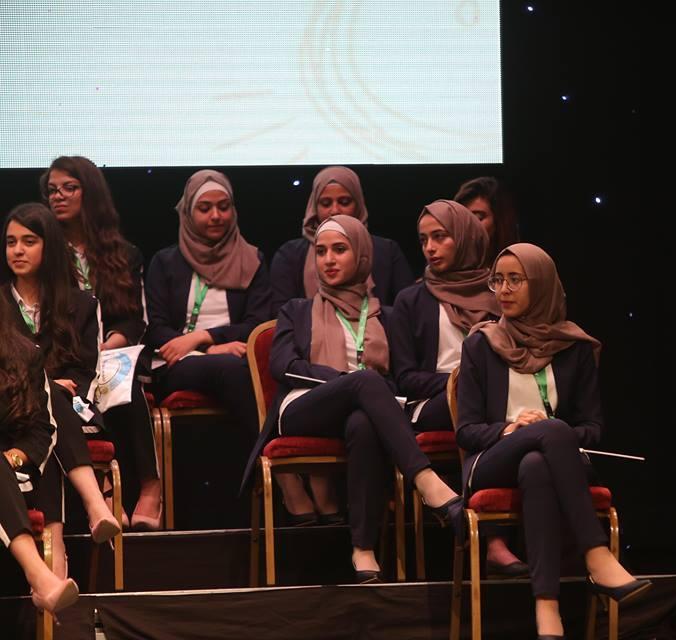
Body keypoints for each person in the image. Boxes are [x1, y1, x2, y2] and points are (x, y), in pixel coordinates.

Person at [244, 215, 463, 583]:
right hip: (303, 407)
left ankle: (362, 547)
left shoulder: (386, 316)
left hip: (364, 409)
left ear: (362, 255)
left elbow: (400, 377)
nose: (328, 259)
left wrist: (362, 388)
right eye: (321, 251)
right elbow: (284, 366)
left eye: (339, 250)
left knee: (363, 423)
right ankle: (428, 481)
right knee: (366, 382)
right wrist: (349, 382)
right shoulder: (296, 310)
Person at [456, 243, 651, 638]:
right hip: (493, 459)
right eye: (498, 280)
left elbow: (593, 428)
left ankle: (547, 608)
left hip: (558, 462)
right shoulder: (481, 344)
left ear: (542, 284)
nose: (504, 290)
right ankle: (596, 554)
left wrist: (548, 431)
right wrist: (513, 428)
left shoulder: (574, 347)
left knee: (538, 461)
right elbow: (467, 430)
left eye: (516, 280)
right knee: (549, 432)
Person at [389, 199, 527, 576]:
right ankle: (493, 542)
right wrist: (461, 381)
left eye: (440, 237)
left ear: (465, 238)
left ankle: (505, 537)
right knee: (484, 413)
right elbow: (405, 377)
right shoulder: (411, 300)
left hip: (493, 403)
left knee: (507, 418)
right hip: (433, 403)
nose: (430, 248)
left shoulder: (498, 296)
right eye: (423, 240)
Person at [40, 156, 161, 529]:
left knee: (121, 384)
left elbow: (134, 317)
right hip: (64, 357)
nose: (58, 196)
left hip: (112, 353)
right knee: (76, 389)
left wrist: (109, 345)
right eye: (52, 190)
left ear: (89, 192)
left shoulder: (123, 254)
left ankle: (150, 488)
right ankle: (105, 487)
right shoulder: (43, 253)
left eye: (69, 188)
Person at [3, 202, 122, 578]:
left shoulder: (82, 304)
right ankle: (94, 506)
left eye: (28, 241)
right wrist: (41, 384)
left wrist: (49, 388)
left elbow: (88, 374)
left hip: (71, 411)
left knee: (50, 411)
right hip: (11, 412)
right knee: (47, 399)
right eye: (10, 242)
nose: (17, 251)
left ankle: (54, 554)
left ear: (49, 246)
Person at [145, 170, 269, 441]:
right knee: (229, 369)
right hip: (178, 362)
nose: (216, 216)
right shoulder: (165, 263)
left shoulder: (252, 260)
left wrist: (205, 336)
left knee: (240, 369)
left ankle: (260, 458)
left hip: (236, 355)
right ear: (188, 212)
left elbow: (258, 325)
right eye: (205, 208)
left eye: (223, 207)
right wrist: (208, 348)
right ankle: (266, 454)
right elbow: (155, 328)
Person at [0, 292, 80, 614]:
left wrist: (13, 458)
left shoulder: (24, 356)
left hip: (11, 477)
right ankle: (41, 578)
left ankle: (42, 581)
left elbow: (42, 431)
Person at [270, 166, 413, 316]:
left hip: (377, 329)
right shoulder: (290, 255)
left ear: (358, 205)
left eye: (344, 202)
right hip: (308, 331)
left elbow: (405, 314)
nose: (335, 210)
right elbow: (281, 317)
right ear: (314, 207)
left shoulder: (386, 251)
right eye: (326, 203)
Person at [453, 176, 520, 267]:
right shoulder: (447, 266)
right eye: (462, 219)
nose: (467, 226)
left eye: (478, 218)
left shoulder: (519, 265)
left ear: (499, 221)